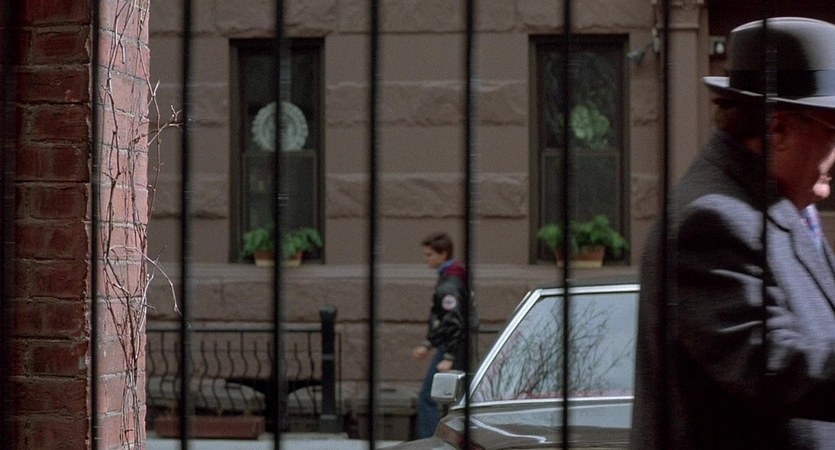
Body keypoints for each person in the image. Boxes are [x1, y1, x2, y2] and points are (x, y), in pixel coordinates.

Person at [631, 17, 835, 449]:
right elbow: (775, 364)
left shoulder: (778, 208)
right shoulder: (710, 221)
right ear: (778, 129)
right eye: (833, 130)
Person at [412, 231, 467, 439]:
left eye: (429, 255)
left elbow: (453, 321)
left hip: (452, 347)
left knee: (428, 396)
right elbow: (445, 320)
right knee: (457, 397)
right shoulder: (453, 277)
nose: (426, 259)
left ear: (443, 254)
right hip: (455, 345)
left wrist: (449, 356)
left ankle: (430, 441)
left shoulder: (449, 284)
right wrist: (428, 344)